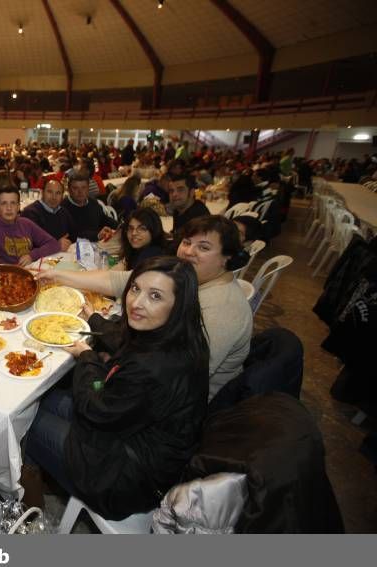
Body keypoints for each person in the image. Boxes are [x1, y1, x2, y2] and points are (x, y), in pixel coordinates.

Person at [24, 256, 209, 520]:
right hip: (136, 437)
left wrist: (86, 356)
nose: (137, 302)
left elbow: (96, 409)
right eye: (135, 288)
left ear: (178, 305)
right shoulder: (181, 335)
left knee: (26, 421)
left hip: (127, 477)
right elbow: (126, 341)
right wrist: (94, 319)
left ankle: (31, 509)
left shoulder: (156, 367)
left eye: (155, 296)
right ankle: (47, 474)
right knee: (46, 399)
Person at [38, 215, 251, 399]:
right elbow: (117, 280)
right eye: (186, 242)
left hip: (156, 418)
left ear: (226, 258)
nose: (188, 252)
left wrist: (92, 364)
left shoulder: (222, 310)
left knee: (48, 400)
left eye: (203, 247)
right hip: (133, 389)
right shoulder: (183, 279)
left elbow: (160, 381)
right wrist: (57, 275)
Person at [20, 179, 75, 252]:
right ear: (42, 193)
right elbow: (30, 245)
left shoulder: (63, 212)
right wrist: (56, 245)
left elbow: (73, 235)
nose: (54, 197)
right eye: (49, 192)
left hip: (61, 257)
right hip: (38, 260)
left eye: (58, 193)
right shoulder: (30, 213)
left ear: (62, 196)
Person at [62, 171, 117, 241]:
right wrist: (97, 235)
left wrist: (120, 226)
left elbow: (104, 219)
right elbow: (72, 234)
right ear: (69, 190)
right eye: (75, 188)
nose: (80, 191)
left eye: (83, 187)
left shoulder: (93, 202)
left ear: (88, 189)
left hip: (99, 243)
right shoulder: (63, 208)